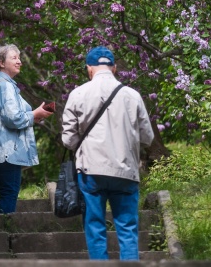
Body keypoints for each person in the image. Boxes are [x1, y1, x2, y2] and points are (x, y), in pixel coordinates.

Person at [61, 46, 155, 261]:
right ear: (114, 68)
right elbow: (147, 137)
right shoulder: (133, 96)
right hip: (125, 172)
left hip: (91, 171)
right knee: (128, 229)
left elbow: (68, 139)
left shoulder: (78, 94)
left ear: (89, 68)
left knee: (94, 227)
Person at [0, 44, 54, 213]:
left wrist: (35, 114)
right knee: (9, 194)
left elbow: (8, 116)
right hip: (6, 151)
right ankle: (4, 234)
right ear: (1, 63)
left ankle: (1, 233)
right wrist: (34, 114)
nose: (19, 61)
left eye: (19, 58)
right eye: (14, 58)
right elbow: (13, 118)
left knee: (6, 193)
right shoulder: (5, 86)